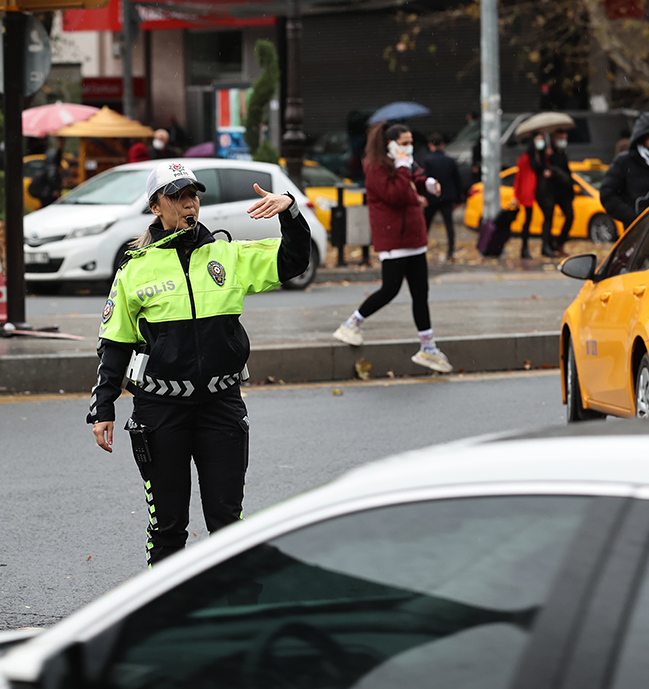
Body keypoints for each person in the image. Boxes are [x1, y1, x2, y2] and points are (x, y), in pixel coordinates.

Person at [86, 161, 310, 566]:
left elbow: (293, 261)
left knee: (227, 522)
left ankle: (230, 612)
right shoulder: (134, 269)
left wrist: (290, 210)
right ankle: (165, 615)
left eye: (193, 195)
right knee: (168, 527)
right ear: (156, 206)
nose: (189, 204)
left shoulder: (227, 255)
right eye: (178, 197)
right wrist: (103, 407)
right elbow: (114, 342)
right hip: (160, 411)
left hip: (221, 407)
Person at [332, 123, 452, 373]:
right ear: (390, 143)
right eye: (404, 142)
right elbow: (396, 194)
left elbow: (415, 177)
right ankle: (351, 324)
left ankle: (428, 348)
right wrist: (405, 175)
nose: (409, 146)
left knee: (421, 293)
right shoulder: (375, 167)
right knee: (390, 289)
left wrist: (428, 184)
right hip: (394, 239)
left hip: (414, 237)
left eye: (411, 142)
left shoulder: (405, 161)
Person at [420, 133, 462, 261]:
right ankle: (451, 250)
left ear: (430, 145)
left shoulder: (427, 160)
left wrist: (424, 196)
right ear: (443, 145)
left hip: (431, 198)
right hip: (447, 198)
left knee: (425, 225)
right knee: (449, 225)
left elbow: (424, 179)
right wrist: (457, 199)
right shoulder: (450, 160)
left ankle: (421, 249)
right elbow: (457, 180)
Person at [538, 129, 574, 257]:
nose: (563, 140)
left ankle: (559, 243)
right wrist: (545, 154)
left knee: (570, 216)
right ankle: (547, 246)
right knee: (549, 218)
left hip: (564, 192)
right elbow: (541, 167)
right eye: (561, 137)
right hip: (551, 191)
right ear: (554, 138)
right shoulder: (548, 153)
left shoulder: (562, 153)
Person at [514, 136, 539, 259]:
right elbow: (519, 177)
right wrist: (516, 195)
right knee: (527, 220)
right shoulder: (526, 158)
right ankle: (524, 248)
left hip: (535, 192)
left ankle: (525, 248)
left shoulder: (540, 156)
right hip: (528, 193)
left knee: (530, 220)